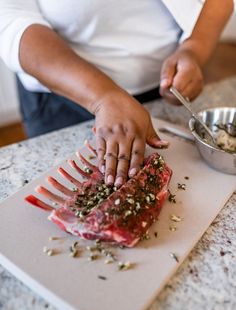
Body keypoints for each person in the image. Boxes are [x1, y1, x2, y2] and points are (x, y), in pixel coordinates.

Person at [0, 0, 234, 187]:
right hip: (65, 95)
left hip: (162, 87)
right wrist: (103, 97)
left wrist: (194, 50)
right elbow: (11, 22)